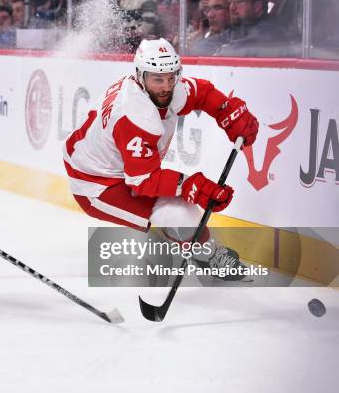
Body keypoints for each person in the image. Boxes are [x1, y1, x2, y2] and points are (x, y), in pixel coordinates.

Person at [62, 38, 259, 280]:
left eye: (171, 77)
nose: (166, 86)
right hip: (95, 182)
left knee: (180, 209)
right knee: (179, 215)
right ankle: (207, 255)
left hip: (108, 159)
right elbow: (142, 181)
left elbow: (204, 94)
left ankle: (183, 239)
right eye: (158, 79)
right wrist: (192, 186)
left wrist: (227, 110)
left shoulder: (166, 88)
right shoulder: (136, 115)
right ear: (140, 76)